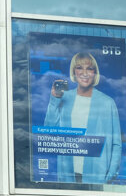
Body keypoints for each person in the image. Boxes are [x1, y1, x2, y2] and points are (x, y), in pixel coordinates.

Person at [44, 52, 121, 184]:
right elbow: (49, 132)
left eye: (89, 68)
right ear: (74, 72)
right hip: (67, 176)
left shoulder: (107, 102)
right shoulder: (64, 97)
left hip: (96, 177)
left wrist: (110, 175)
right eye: (79, 68)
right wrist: (54, 100)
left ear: (95, 73)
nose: (84, 73)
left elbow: (116, 143)